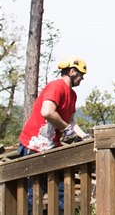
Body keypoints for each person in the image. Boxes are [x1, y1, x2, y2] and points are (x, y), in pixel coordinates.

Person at [18, 56, 92, 213]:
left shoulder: (72, 95)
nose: (82, 79)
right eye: (81, 75)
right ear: (72, 72)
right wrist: (66, 128)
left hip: (51, 148)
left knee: (61, 194)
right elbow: (47, 112)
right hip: (35, 146)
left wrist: (84, 136)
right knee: (32, 196)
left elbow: (70, 121)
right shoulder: (56, 86)